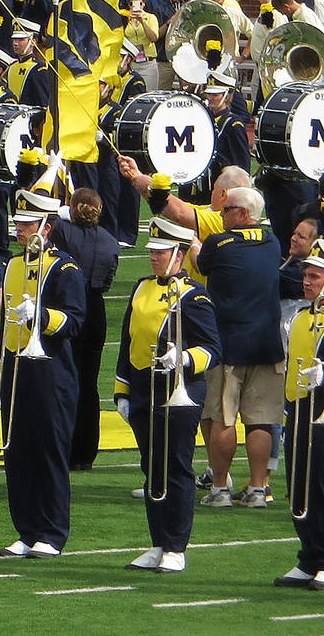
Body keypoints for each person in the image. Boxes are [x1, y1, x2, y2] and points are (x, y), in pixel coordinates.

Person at [117, 217, 219, 573]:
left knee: (175, 467)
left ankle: (176, 545)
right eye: (153, 250)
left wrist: (185, 359)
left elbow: (213, 348)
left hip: (179, 392)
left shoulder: (194, 295)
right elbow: (128, 341)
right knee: (151, 469)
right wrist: (122, 390)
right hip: (144, 390)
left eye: (161, 251)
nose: (154, 257)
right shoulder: (141, 287)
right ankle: (158, 541)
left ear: (178, 255)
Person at [0, 189, 84, 559]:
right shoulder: (14, 265)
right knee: (18, 451)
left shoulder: (65, 268)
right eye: (18, 223)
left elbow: (76, 319)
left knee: (48, 451)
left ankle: (52, 530)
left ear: (46, 227)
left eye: (28, 224)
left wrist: (42, 317)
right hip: (16, 363)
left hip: (50, 369)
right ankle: (27, 527)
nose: (20, 230)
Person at [195, 183, 285, 509]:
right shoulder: (272, 242)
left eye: (227, 210)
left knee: (223, 417)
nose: (221, 216)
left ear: (243, 213)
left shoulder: (219, 243)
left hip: (229, 344)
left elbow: (202, 262)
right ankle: (258, 489)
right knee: (261, 420)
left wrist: (194, 248)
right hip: (267, 344)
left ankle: (220, 487)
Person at [55, 187, 120, 471]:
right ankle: (86, 452)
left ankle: (67, 448)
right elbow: (106, 281)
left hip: (71, 308)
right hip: (97, 310)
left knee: (68, 380)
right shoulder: (109, 240)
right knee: (90, 384)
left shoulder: (64, 233)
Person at [278, 238, 324, 589]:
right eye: (307, 275)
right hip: (300, 409)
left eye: (315, 277)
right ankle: (309, 557)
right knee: (300, 487)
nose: (307, 281)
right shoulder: (301, 316)